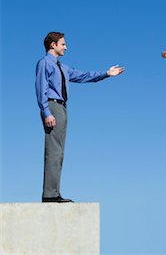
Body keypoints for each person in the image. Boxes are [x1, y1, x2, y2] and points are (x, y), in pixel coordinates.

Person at [35, 31, 124, 202]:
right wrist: (46, 112)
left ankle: (54, 192)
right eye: (63, 44)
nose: (66, 47)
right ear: (53, 45)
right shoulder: (44, 63)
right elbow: (41, 89)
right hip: (52, 106)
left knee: (59, 152)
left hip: (62, 108)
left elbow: (83, 76)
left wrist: (106, 73)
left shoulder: (63, 67)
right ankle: (49, 195)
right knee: (53, 151)